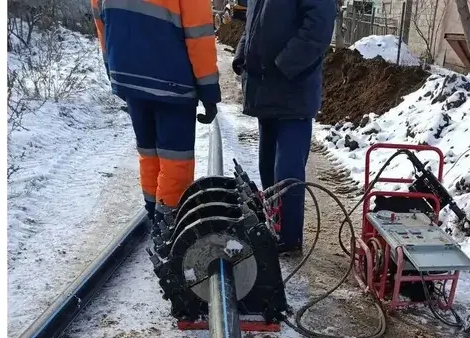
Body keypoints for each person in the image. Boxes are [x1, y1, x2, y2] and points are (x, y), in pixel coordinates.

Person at [90, 0, 221, 235]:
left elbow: (101, 20)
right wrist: (208, 90)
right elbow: (198, 33)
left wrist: (114, 70)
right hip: (172, 80)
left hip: (127, 74)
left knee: (148, 152)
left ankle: (154, 212)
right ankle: (170, 225)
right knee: (175, 159)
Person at [232, 0, 335, 253]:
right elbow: (253, 25)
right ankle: (274, 223)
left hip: (291, 88)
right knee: (267, 162)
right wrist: (242, 54)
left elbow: (319, 26)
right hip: (265, 85)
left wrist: (283, 64)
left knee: (286, 165)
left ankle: (288, 237)